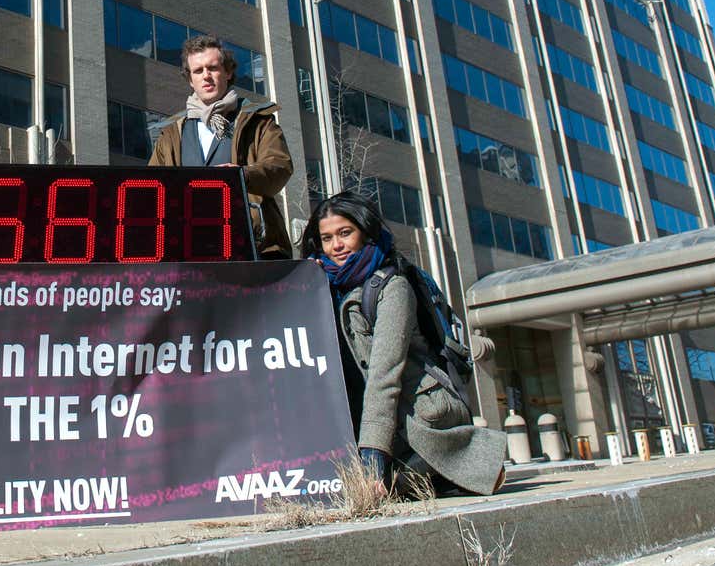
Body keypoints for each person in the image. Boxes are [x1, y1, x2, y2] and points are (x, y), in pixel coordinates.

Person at [301, 191, 505, 496]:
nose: (337, 246)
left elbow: (385, 375)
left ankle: (474, 459)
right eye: (327, 238)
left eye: (345, 233)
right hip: (380, 422)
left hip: (420, 415)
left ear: (366, 232)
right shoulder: (331, 285)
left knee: (385, 488)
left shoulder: (393, 286)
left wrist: (372, 460)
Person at [149, 35, 294, 258]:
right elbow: (150, 190)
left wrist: (240, 176)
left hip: (252, 247)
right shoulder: (170, 134)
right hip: (189, 249)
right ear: (190, 79)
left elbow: (280, 167)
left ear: (227, 72)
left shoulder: (257, 120)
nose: (206, 76)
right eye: (198, 71)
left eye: (213, 68)